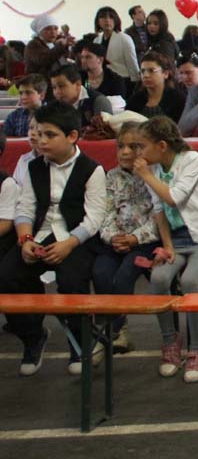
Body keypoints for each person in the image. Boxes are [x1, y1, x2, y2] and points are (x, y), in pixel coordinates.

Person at [0, 102, 106, 376]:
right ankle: (33, 336)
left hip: (76, 238)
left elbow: (94, 217)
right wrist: (25, 240)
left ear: (72, 136)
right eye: (39, 133)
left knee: (72, 282)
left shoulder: (92, 169)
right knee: (7, 277)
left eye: (50, 135)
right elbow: (25, 208)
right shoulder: (33, 167)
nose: (42, 140)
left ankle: (80, 342)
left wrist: (69, 243)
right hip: (39, 235)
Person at [139, 116, 198, 382]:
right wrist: (167, 246)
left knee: (189, 280)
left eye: (143, 146)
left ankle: (196, 349)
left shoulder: (191, 160)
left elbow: (173, 199)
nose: (139, 152)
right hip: (176, 240)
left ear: (162, 145)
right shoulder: (154, 168)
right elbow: (159, 211)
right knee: (159, 278)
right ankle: (170, 342)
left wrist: (145, 175)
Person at [92, 123, 171, 354]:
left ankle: (116, 333)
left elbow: (161, 216)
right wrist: (112, 237)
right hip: (115, 241)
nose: (125, 152)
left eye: (134, 146)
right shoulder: (110, 176)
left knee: (124, 275)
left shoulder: (155, 175)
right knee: (100, 273)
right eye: (121, 146)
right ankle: (110, 331)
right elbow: (105, 212)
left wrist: (135, 238)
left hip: (145, 244)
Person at [126, 51, 186, 122]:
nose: (146, 75)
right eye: (142, 71)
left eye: (151, 71)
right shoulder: (135, 100)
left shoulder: (178, 99)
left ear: (165, 73)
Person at [92, 5, 141, 82]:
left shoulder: (124, 38)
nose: (107, 20)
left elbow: (132, 64)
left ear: (116, 20)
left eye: (111, 17)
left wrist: (136, 81)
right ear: (98, 21)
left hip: (122, 80)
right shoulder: (96, 40)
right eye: (103, 17)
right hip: (103, 79)